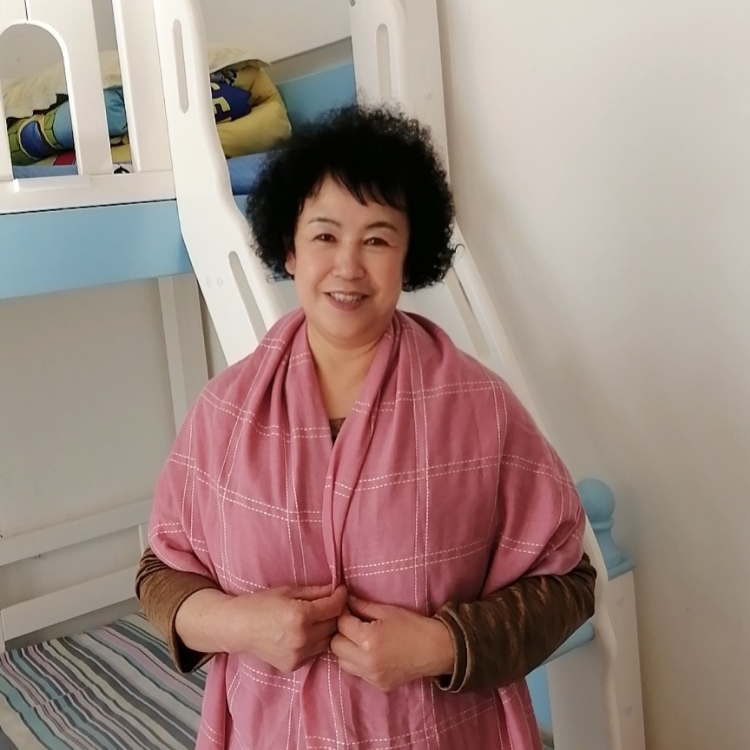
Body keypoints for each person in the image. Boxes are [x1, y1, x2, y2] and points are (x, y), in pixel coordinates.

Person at [136, 105, 596, 750]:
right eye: (325, 236)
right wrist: (238, 625)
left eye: (377, 240)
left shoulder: (481, 409)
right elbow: (160, 571)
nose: (348, 266)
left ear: (409, 256)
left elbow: (569, 584)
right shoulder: (223, 413)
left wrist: (441, 645)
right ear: (290, 248)